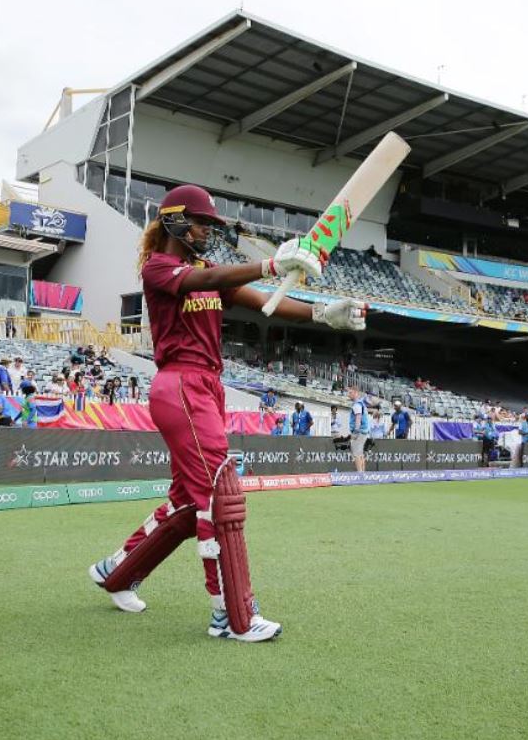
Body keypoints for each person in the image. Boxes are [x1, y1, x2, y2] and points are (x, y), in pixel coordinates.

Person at [87, 183, 365, 643]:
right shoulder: (159, 268)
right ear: (174, 220)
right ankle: (234, 616)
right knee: (220, 496)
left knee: (187, 501)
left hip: (207, 386)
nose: (205, 231)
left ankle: (116, 572)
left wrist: (322, 314)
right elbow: (206, 282)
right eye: (200, 222)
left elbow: (263, 302)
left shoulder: (209, 271)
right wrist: (273, 263)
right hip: (181, 384)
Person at [347, 386, 370, 473]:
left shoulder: (357, 404)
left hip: (359, 432)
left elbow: (358, 417)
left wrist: (356, 431)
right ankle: (362, 473)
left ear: (356, 393)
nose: (349, 395)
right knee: (360, 453)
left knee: (356, 453)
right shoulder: (361, 403)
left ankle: (360, 474)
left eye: (351, 393)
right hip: (364, 431)